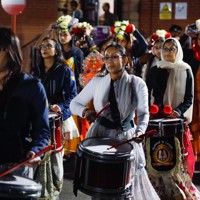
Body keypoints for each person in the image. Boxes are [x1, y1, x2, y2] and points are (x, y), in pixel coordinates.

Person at [70, 42, 160, 200]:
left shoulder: (137, 83)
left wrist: (140, 131)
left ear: (125, 60)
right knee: (102, 184)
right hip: (100, 135)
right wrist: (86, 112)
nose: (109, 61)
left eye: (114, 57)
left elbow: (143, 113)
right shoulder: (97, 82)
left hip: (126, 136)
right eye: (106, 57)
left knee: (126, 185)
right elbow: (74, 104)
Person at [147, 37, 200, 199]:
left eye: (172, 49)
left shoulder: (185, 70)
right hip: (157, 119)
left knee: (175, 157)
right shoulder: (155, 68)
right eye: (165, 49)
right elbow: (148, 92)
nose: (168, 52)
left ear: (178, 51)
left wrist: (178, 111)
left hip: (175, 120)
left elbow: (189, 99)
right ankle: (158, 190)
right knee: (157, 155)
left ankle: (177, 190)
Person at [0, 27, 50, 179]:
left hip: (16, 165)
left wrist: (36, 150)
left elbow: (42, 130)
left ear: (9, 51)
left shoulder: (32, 86)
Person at [32, 37, 78, 199]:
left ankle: (53, 191)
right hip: (38, 118)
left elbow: (73, 97)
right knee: (36, 155)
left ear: (56, 50)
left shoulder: (65, 70)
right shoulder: (36, 69)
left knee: (55, 156)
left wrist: (61, 108)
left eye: (49, 46)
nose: (44, 48)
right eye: (42, 46)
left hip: (56, 117)